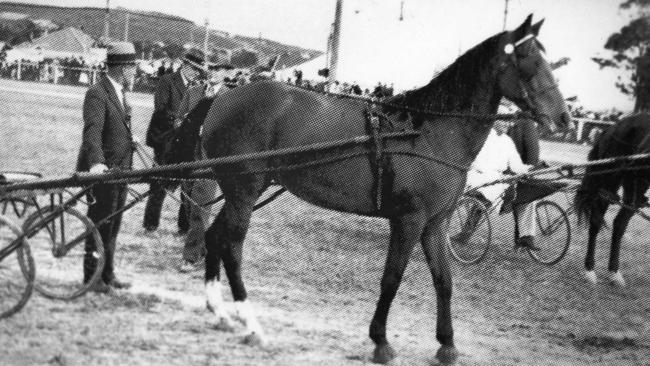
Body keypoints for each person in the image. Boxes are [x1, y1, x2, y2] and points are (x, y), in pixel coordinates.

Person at [75, 42, 138, 293]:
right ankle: (93, 279)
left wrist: (130, 138)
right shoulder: (97, 92)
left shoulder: (120, 92)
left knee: (112, 226)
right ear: (123, 68)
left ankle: (108, 274)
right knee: (99, 225)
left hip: (120, 171)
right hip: (104, 172)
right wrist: (97, 164)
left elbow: (116, 127)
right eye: (133, 68)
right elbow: (92, 132)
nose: (135, 73)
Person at [176, 63, 235, 272]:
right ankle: (203, 249)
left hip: (210, 162)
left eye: (218, 69)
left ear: (226, 72)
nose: (213, 72)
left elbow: (232, 131)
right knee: (189, 204)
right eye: (211, 68)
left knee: (200, 209)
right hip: (187, 157)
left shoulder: (230, 97)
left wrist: (208, 130)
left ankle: (190, 257)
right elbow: (178, 118)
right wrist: (187, 126)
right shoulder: (193, 92)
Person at [143, 48, 205, 233]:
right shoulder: (167, 81)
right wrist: (183, 120)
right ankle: (150, 224)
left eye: (198, 71)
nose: (196, 73)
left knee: (188, 183)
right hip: (165, 140)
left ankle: (183, 227)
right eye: (194, 69)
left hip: (186, 142)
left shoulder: (196, 89)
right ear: (185, 65)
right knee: (159, 183)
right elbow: (160, 109)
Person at [459, 119, 539, 251]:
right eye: (503, 121)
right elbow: (472, 160)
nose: (507, 124)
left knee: (529, 196)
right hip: (478, 176)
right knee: (495, 188)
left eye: (508, 122)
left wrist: (529, 168)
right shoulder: (482, 136)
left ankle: (526, 236)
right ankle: (467, 231)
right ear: (494, 120)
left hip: (499, 178)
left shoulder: (507, 141)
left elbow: (515, 165)